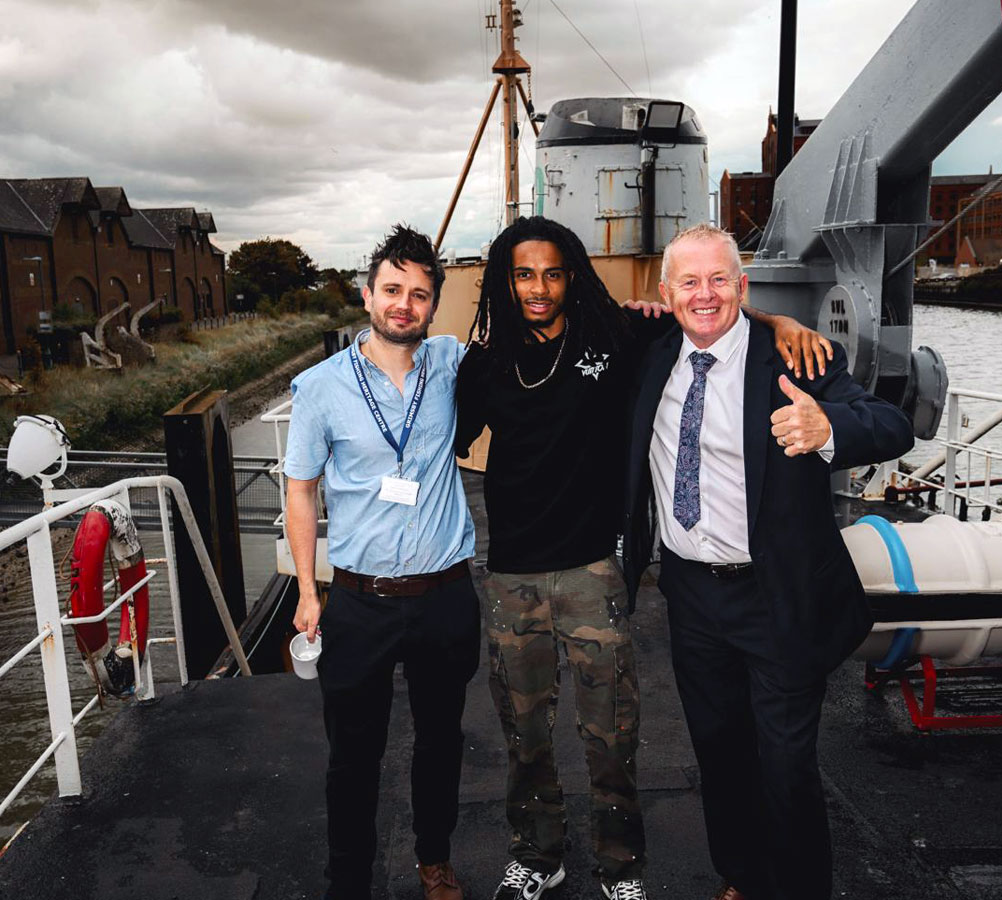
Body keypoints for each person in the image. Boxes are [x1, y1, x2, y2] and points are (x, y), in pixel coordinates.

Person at [455, 216, 831, 900]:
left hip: (594, 569)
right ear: (504, 283)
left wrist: (777, 322)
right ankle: (537, 856)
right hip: (510, 572)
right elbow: (441, 438)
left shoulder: (615, 336)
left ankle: (619, 866)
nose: (538, 288)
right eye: (522, 274)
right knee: (525, 730)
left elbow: (709, 314)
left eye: (551, 272)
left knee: (610, 733)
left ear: (571, 275)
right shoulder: (483, 364)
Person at [621, 224, 915, 900]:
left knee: (785, 764)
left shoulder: (796, 360)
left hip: (777, 595)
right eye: (688, 282)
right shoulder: (649, 351)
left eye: (720, 279)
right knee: (720, 755)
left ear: (742, 287)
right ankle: (741, 877)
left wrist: (829, 429)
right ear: (665, 294)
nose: (705, 294)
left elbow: (893, 424)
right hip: (691, 594)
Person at [287, 224, 477, 900]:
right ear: (368, 295)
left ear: (432, 306)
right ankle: (350, 881)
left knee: (440, 741)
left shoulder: (452, 362)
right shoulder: (319, 387)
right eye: (392, 289)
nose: (404, 304)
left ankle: (434, 859)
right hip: (361, 600)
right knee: (354, 756)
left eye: (420, 294)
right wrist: (309, 592)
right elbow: (301, 491)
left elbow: (535, 337)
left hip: (444, 592)